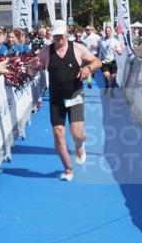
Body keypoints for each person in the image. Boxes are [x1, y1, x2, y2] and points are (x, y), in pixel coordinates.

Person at [36, 20, 102, 181]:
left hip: (74, 95)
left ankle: (80, 146)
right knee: (58, 134)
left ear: (66, 33)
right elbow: (35, 66)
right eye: (55, 36)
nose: (58, 39)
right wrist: (33, 66)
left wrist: (87, 68)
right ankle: (68, 168)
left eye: (61, 35)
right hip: (56, 98)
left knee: (77, 133)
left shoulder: (78, 48)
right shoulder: (46, 51)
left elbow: (97, 62)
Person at [98, 25, 123, 94]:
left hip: (112, 61)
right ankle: (107, 85)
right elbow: (98, 49)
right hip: (104, 62)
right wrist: (98, 58)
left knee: (113, 79)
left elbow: (120, 53)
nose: (107, 33)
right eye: (106, 31)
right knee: (107, 76)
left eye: (108, 31)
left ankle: (112, 89)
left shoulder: (115, 41)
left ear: (111, 32)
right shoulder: (101, 40)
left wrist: (117, 50)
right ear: (104, 32)